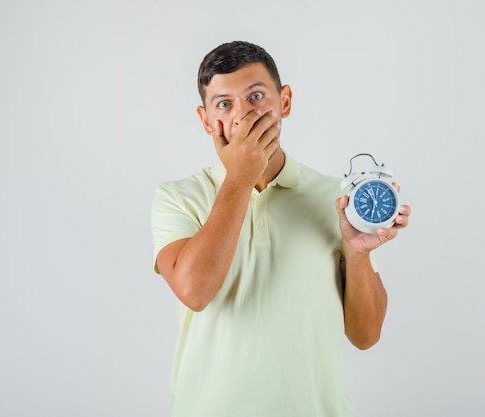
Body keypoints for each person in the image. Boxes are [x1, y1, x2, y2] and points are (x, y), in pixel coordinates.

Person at [151, 40, 411, 417]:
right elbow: (194, 291)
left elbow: (366, 335)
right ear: (206, 120)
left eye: (256, 96)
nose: (243, 115)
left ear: (284, 101)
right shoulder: (177, 197)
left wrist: (357, 252)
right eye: (224, 104)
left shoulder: (334, 197)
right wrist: (240, 178)